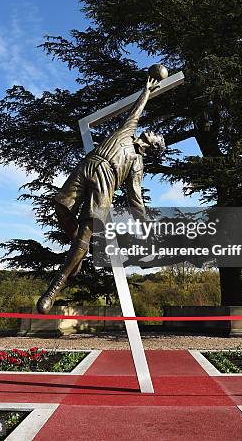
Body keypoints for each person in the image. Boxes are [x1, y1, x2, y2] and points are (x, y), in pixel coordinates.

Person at [37, 75, 165, 314]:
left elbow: (135, 199)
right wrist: (146, 91)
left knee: (86, 230)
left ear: (154, 147)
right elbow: (136, 111)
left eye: (157, 136)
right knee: (60, 206)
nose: (152, 132)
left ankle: (55, 287)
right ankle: (79, 251)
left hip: (106, 182)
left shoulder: (137, 165)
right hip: (89, 164)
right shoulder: (128, 131)